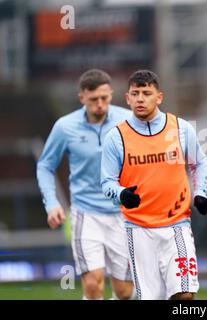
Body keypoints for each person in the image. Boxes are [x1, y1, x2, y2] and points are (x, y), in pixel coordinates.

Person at [101, 70, 207, 300]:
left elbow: (199, 162)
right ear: (127, 98)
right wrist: (121, 194)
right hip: (138, 229)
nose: (140, 99)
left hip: (176, 224)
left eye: (146, 93)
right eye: (135, 94)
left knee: (184, 295)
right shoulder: (116, 137)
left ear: (159, 97)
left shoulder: (180, 129)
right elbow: (107, 182)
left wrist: (200, 193)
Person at [36, 69, 135, 300]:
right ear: (82, 98)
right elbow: (45, 165)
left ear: (111, 94)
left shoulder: (128, 122)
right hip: (85, 215)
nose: (100, 104)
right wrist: (51, 203)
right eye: (93, 100)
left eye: (104, 98)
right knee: (92, 286)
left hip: (122, 214)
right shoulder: (65, 127)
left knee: (124, 291)